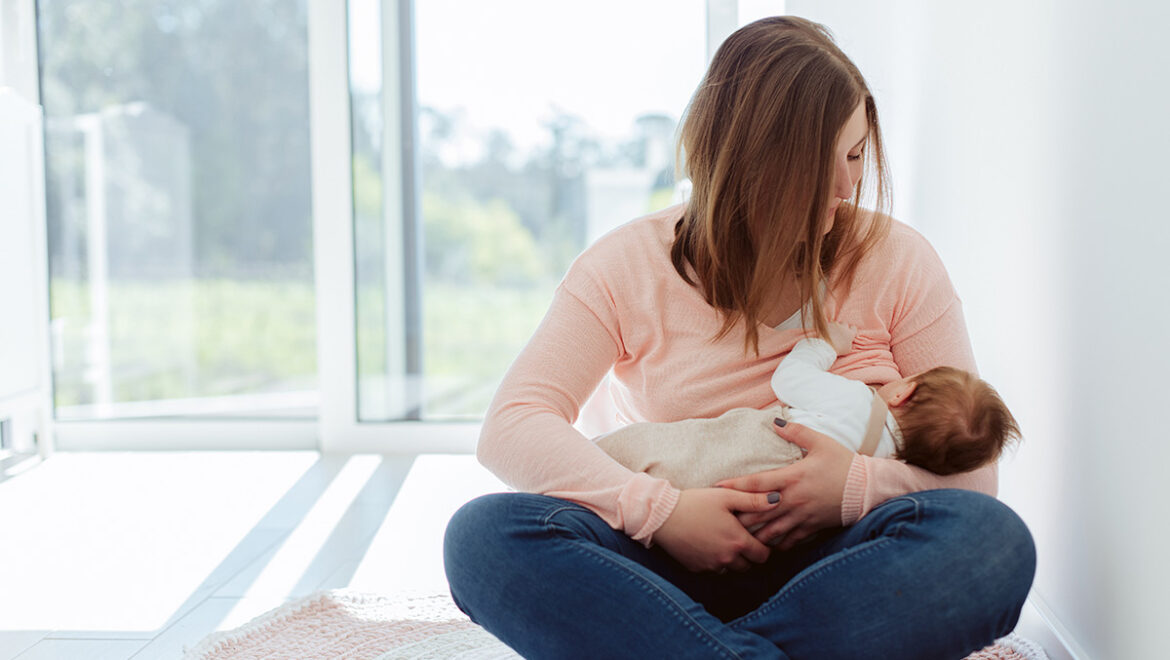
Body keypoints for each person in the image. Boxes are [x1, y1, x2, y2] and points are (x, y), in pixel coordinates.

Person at [444, 15, 1035, 659]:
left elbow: (976, 478)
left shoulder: (898, 261)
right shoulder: (623, 266)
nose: (847, 186)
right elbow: (512, 424)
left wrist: (854, 488)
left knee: (991, 544)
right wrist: (662, 513)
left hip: (840, 564)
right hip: (656, 568)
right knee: (483, 537)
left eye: (858, 154)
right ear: (750, 161)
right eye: (823, 162)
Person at [596, 329, 1022, 489]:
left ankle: (592, 458)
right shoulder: (886, 466)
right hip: (766, 505)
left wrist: (824, 344)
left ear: (901, 393)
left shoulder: (857, 399)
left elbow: (790, 379)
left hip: (746, 448)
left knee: (647, 449)